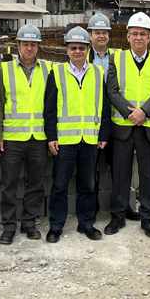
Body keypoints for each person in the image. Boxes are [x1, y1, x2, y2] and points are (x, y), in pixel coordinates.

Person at [104, 12, 150, 238]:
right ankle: (118, 216)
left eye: (143, 34)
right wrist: (130, 113)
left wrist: (144, 112)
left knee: (148, 175)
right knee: (120, 174)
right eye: (135, 33)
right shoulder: (116, 59)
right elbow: (112, 90)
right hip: (123, 127)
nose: (139, 37)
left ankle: (147, 218)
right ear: (128, 36)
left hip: (149, 127)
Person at [44, 26, 110, 243]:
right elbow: (49, 109)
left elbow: (104, 107)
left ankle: (86, 223)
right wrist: (51, 136)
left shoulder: (98, 74)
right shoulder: (57, 73)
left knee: (88, 185)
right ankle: (56, 226)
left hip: (90, 139)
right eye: (73, 48)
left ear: (88, 49)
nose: (78, 51)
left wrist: (103, 134)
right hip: (64, 141)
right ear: (67, 50)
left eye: (82, 48)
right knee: (59, 185)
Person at [0, 24, 49, 244]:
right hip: (12, 139)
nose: (29, 48)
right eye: (25, 44)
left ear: (38, 46)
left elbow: (51, 105)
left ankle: (29, 223)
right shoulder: (6, 70)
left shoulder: (47, 70)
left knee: (35, 184)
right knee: (8, 184)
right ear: (17, 45)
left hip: (38, 138)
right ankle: (8, 226)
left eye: (33, 44)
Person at [87, 13, 138, 222]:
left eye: (105, 32)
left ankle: (123, 207)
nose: (101, 36)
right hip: (91, 121)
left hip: (117, 119)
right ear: (90, 35)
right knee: (90, 168)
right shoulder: (81, 56)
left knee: (120, 167)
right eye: (97, 32)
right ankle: (91, 210)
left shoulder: (119, 57)